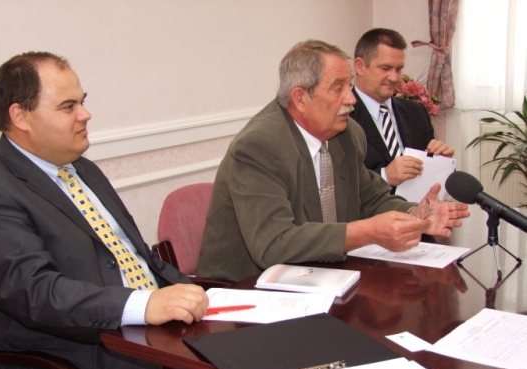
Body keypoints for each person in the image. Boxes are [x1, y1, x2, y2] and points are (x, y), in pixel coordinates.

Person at [0, 52, 209, 369]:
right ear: (20, 116)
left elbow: (138, 259)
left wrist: (198, 296)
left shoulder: (82, 169)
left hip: (144, 338)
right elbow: (35, 292)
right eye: (68, 106)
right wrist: (143, 305)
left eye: (82, 102)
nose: (85, 115)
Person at [196, 40, 469, 283]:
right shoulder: (260, 146)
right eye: (338, 88)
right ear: (300, 98)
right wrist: (368, 232)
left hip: (321, 276)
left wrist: (416, 215)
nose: (351, 99)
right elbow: (273, 244)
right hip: (247, 289)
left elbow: (370, 198)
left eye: (349, 85)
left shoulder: (347, 133)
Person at [350, 28, 454, 189]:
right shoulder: (342, 116)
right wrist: (384, 177)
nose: (394, 78)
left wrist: (441, 163)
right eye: (385, 68)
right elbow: (336, 184)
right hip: (370, 205)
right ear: (360, 66)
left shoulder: (416, 112)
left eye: (398, 69)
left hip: (418, 204)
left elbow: (428, 175)